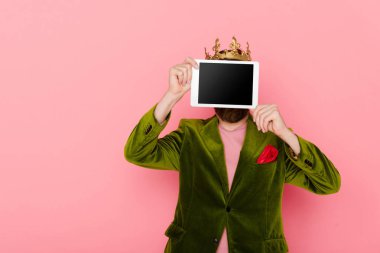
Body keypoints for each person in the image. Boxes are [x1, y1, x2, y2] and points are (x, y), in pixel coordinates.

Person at [124, 37, 341, 253]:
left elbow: (329, 183)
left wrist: (286, 134)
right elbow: (136, 152)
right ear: (209, 89)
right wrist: (170, 97)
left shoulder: (274, 139)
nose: (230, 93)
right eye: (222, 84)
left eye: (236, 84)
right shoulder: (189, 136)